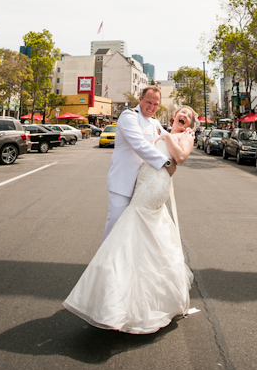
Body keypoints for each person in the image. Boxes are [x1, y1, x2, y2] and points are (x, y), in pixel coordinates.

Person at [63, 104, 197, 334]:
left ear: (191, 123)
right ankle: (122, 293)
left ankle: (117, 297)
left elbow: (180, 157)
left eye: (189, 115)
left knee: (131, 226)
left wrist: (166, 136)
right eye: (182, 113)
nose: (184, 116)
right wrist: (162, 135)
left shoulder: (186, 136)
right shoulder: (159, 128)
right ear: (174, 117)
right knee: (143, 233)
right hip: (143, 180)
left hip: (155, 186)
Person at [101, 86, 175, 243]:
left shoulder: (154, 123)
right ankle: (104, 266)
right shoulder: (129, 116)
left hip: (143, 186)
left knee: (135, 232)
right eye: (149, 102)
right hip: (122, 184)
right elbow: (139, 144)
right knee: (116, 228)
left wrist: (185, 135)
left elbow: (170, 139)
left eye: (156, 104)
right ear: (140, 100)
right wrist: (166, 162)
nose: (152, 107)